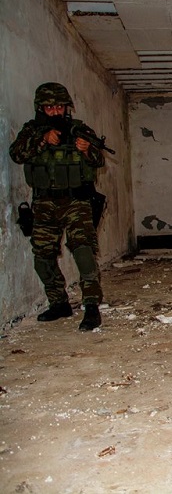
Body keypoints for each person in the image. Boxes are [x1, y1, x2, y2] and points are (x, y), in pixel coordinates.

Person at [9, 82, 106, 331]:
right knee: (43, 256)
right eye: (50, 107)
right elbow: (17, 154)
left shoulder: (79, 129)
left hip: (76, 201)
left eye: (59, 107)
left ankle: (91, 305)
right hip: (44, 203)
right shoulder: (31, 131)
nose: (55, 111)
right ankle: (58, 302)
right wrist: (41, 140)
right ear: (40, 108)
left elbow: (99, 160)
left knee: (83, 251)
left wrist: (87, 150)